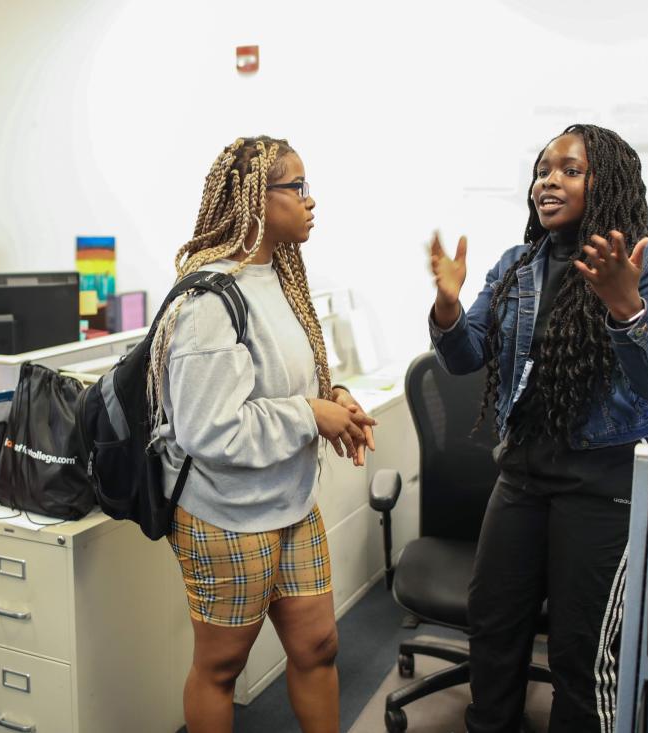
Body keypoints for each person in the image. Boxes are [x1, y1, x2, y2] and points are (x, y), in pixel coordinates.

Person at [427, 123, 648, 733]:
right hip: (523, 471)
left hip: (607, 480)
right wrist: (447, 307)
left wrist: (627, 307)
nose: (549, 180)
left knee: (582, 645)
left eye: (569, 169)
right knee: (493, 623)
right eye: (543, 169)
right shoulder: (518, 266)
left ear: (606, 183)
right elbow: (465, 357)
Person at [149, 136, 376, 733]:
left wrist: (335, 401)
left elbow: (286, 382)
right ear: (255, 198)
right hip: (226, 513)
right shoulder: (207, 301)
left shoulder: (282, 278)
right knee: (221, 668)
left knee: (318, 646)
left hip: (291, 502)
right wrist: (310, 416)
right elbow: (210, 429)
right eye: (296, 187)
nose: (310, 200)